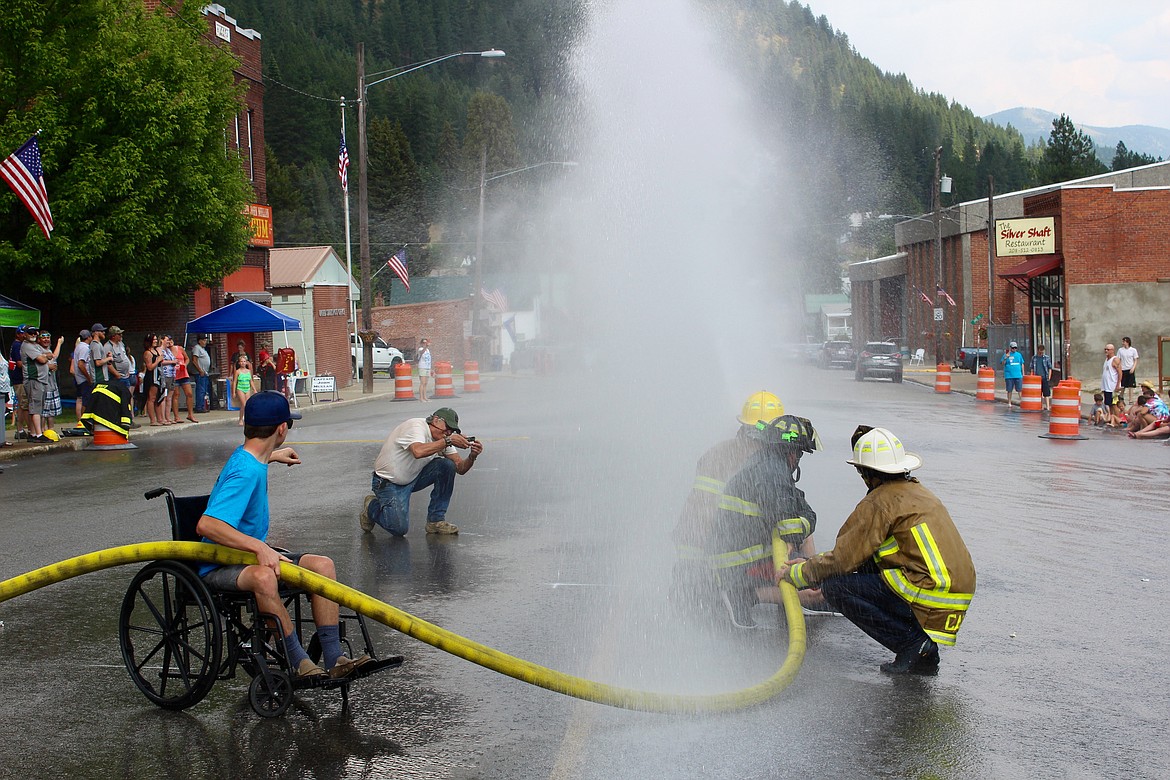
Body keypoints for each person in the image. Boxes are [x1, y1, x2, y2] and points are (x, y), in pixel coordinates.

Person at [195, 391, 372, 680]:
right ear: (281, 429)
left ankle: (333, 656)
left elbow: (252, 460)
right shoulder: (246, 472)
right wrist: (260, 548)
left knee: (322, 565)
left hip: (247, 557)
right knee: (264, 577)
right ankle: (299, 662)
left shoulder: (252, 460)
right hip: (219, 566)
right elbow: (207, 525)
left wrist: (273, 456)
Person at [779, 426, 976, 675]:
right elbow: (866, 556)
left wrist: (798, 575)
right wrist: (813, 566)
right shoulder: (919, 493)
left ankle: (913, 643)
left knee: (837, 588)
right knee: (856, 575)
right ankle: (923, 650)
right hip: (952, 593)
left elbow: (843, 559)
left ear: (867, 472)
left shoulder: (880, 502)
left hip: (929, 593)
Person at [709, 414, 823, 629]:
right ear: (793, 452)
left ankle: (806, 583)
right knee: (811, 593)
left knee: (804, 566)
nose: (798, 459)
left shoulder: (766, 464)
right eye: (800, 453)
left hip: (734, 556)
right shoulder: (773, 474)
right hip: (737, 566)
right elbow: (790, 527)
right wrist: (809, 519)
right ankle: (743, 596)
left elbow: (795, 502)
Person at [361, 407, 483, 536]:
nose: (448, 432)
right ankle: (371, 507)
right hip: (389, 483)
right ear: (436, 420)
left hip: (413, 477)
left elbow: (460, 468)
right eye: (447, 428)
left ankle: (436, 521)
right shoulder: (416, 426)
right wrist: (448, 440)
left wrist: (472, 456)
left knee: (447, 466)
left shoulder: (443, 439)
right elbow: (418, 451)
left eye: (452, 431)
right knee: (399, 529)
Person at [21, 327, 64, 442]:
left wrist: (46, 356)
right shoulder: (27, 346)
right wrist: (45, 357)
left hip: (40, 380)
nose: (34, 334)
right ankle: (38, 435)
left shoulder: (34, 345)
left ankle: (34, 433)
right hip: (34, 379)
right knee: (35, 407)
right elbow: (42, 359)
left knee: (37, 407)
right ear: (25, 334)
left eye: (35, 332)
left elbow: (50, 355)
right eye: (30, 332)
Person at [8, 326, 29, 439]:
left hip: (18, 378)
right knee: (25, 404)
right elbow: (20, 363)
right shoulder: (17, 346)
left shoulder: (18, 345)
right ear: (18, 334)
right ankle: (31, 430)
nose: (25, 335)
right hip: (19, 379)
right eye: (23, 333)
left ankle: (20, 430)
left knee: (22, 405)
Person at [171, 340, 197, 423]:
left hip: (183, 373)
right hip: (174, 374)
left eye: (171, 340)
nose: (170, 342)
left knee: (189, 393)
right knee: (176, 395)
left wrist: (185, 364)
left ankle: (190, 414)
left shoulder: (180, 348)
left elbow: (187, 358)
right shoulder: (166, 351)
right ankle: (176, 416)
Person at [142, 334, 165, 426]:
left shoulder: (156, 351)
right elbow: (150, 367)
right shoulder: (147, 353)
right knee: (151, 398)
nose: (156, 341)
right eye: (154, 339)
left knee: (158, 398)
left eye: (156, 339)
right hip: (152, 377)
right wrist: (158, 360)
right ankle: (153, 420)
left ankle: (160, 418)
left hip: (159, 376)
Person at [71, 329, 93, 424]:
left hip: (80, 379)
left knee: (82, 399)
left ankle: (83, 421)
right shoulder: (85, 348)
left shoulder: (78, 347)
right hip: (84, 379)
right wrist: (88, 378)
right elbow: (81, 364)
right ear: (89, 337)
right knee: (86, 401)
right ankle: (85, 422)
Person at [1101, 343, 1122, 426]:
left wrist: (1117, 385)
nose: (1106, 351)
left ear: (1112, 350)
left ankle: (1117, 420)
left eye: (1108, 349)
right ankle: (1112, 419)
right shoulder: (1106, 360)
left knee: (1114, 404)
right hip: (1107, 386)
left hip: (1112, 386)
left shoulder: (1115, 360)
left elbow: (1120, 373)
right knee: (1109, 404)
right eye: (1105, 349)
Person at [191, 335, 212, 412]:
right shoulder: (197, 348)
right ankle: (199, 407)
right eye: (203, 340)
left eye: (206, 340)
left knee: (204, 390)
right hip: (200, 373)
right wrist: (200, 370)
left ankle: (204, 406)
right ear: (199, 341)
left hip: (205, 372)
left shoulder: (203, 349)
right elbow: (194, 360)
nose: (205, 342)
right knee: (201, 390)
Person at [1029, 343, 1053, 411]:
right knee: (1038, 393)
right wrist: (1032, 376)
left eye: (1042, 351)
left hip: (1044, 377)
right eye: (1040, 351)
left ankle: (1047, 406)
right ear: (1038, 350)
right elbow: (1032, 368)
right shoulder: (1034, 358)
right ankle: (1041, 406)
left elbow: (1049, 367)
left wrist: (1049, 376)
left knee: (1046, 393)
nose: (1041, 353)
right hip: (1036, 378)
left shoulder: (1046, 358)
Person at [1001, 341, 1024, 407]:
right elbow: (1002, 363)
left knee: (1019, 389)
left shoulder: (1019, 355)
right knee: (1009, 389)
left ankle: (1021, 401)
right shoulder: (1006, 355)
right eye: (1013, 348)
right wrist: (1006, 357)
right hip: (1009, 375)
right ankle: (1009, 402)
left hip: (1018, 375)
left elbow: (1022, 363)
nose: (1014, 349)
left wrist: (1023, 373)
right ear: (1010, 348)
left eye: (1015, 348)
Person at [232, 355, 254, 425]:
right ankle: (241, 419)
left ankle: (245, 419)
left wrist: (254, 389)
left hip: (247, 388)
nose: (243, 363)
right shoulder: (237, 371)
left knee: (246, 405)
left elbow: (251, 381)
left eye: (244, 361)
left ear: (246, 362)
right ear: (239, 363)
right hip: (240, 388)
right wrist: (233, 392)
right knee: (244, 404)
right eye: (241, 361)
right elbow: (235, 382)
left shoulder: (249, 371)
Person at [1117, 337, 1139, 405]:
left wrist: (1133, 368)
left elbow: (1135, 360)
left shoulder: (1133, 350)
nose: (1123, 343)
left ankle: (1131, 399)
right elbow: (1118, 359)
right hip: (1123, 369)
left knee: (1130, 385)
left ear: (1127, 342)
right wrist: (1119, 368)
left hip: (1130, 368)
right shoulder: (1120, 350)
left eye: (1124, 342)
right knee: (1123, 385)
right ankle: (1121, 396)